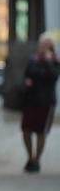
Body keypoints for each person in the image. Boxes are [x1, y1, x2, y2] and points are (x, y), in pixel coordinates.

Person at [22, 33, 60, 173]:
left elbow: (54, 76)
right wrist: (26, 82)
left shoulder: (54, 61)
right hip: (31, 101)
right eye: (40, 45)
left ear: (50, 47)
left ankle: (36, 160)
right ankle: (30, 156)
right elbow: (26, 75)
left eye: (44, 46)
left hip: (46, 102)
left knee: (40, 132)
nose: (41, 48)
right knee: (26, 130)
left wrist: (49, 61)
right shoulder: (33, 60)